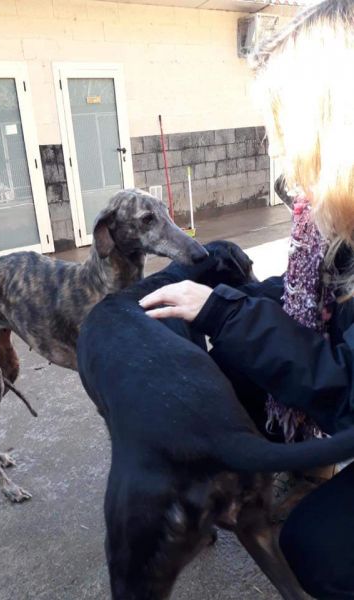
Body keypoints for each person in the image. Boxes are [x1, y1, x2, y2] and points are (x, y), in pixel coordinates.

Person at [139, 1, 354, 597]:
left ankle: (313, 468)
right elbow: (311, 303)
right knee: (237, 359)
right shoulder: (329, 223)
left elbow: (346, 384)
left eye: (289, 131)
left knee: (316, 547)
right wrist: (230, 297)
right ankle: (311, 463)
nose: (283, 153)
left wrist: (225, 312)